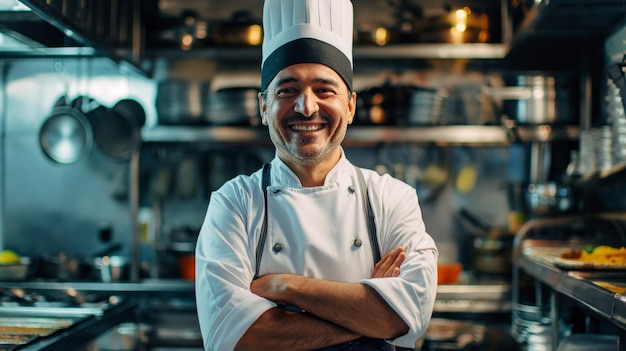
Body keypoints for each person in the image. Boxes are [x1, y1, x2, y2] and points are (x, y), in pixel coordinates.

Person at [195, 0, 438, 350]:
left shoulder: (391, 199)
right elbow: (232, 336)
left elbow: (409, 315)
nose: (306, 107)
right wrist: (370, 315)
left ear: (351, 106)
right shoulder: (233, 203)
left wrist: (285, 287)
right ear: (264, 106)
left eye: (324, 90)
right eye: (287, 90)